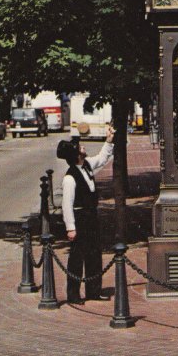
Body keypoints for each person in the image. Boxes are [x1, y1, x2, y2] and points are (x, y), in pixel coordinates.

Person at [57, 125, 115, 304]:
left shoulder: (87, 164)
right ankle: (73, 295)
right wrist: (71, 228)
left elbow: (102, 159)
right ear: (76, 155)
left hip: (91, 217)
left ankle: (93, 291)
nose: (83, 147)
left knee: (94, 254)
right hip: (80, 218)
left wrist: (108, 141)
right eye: (79, 148)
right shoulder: (69, 178)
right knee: (77, 257)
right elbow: (67, 205)